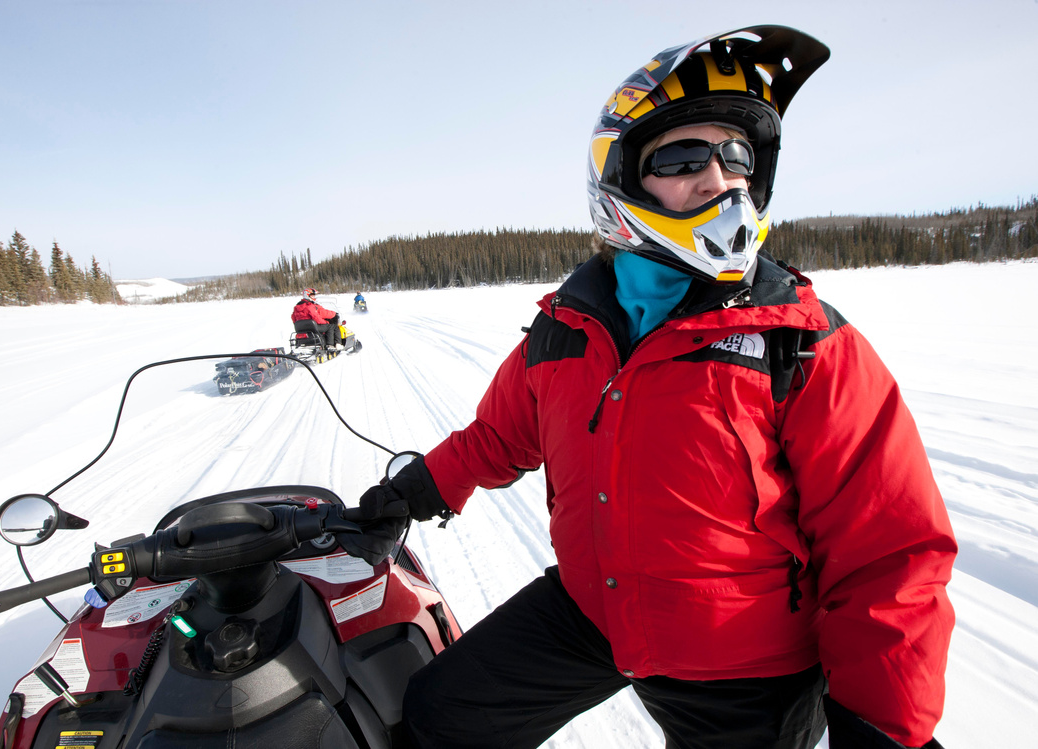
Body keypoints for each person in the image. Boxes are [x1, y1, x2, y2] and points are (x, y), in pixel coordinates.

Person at [339, 25, 956, 749]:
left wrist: (884, 726)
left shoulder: (803, 341)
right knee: (440, 714)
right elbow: (500, 436)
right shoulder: (566, 327)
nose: (720, 178)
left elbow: (890, 549)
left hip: (743, 664)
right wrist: (411, 493)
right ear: (623, 180)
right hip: (596, 612)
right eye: (686, 156)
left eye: (737, 156)